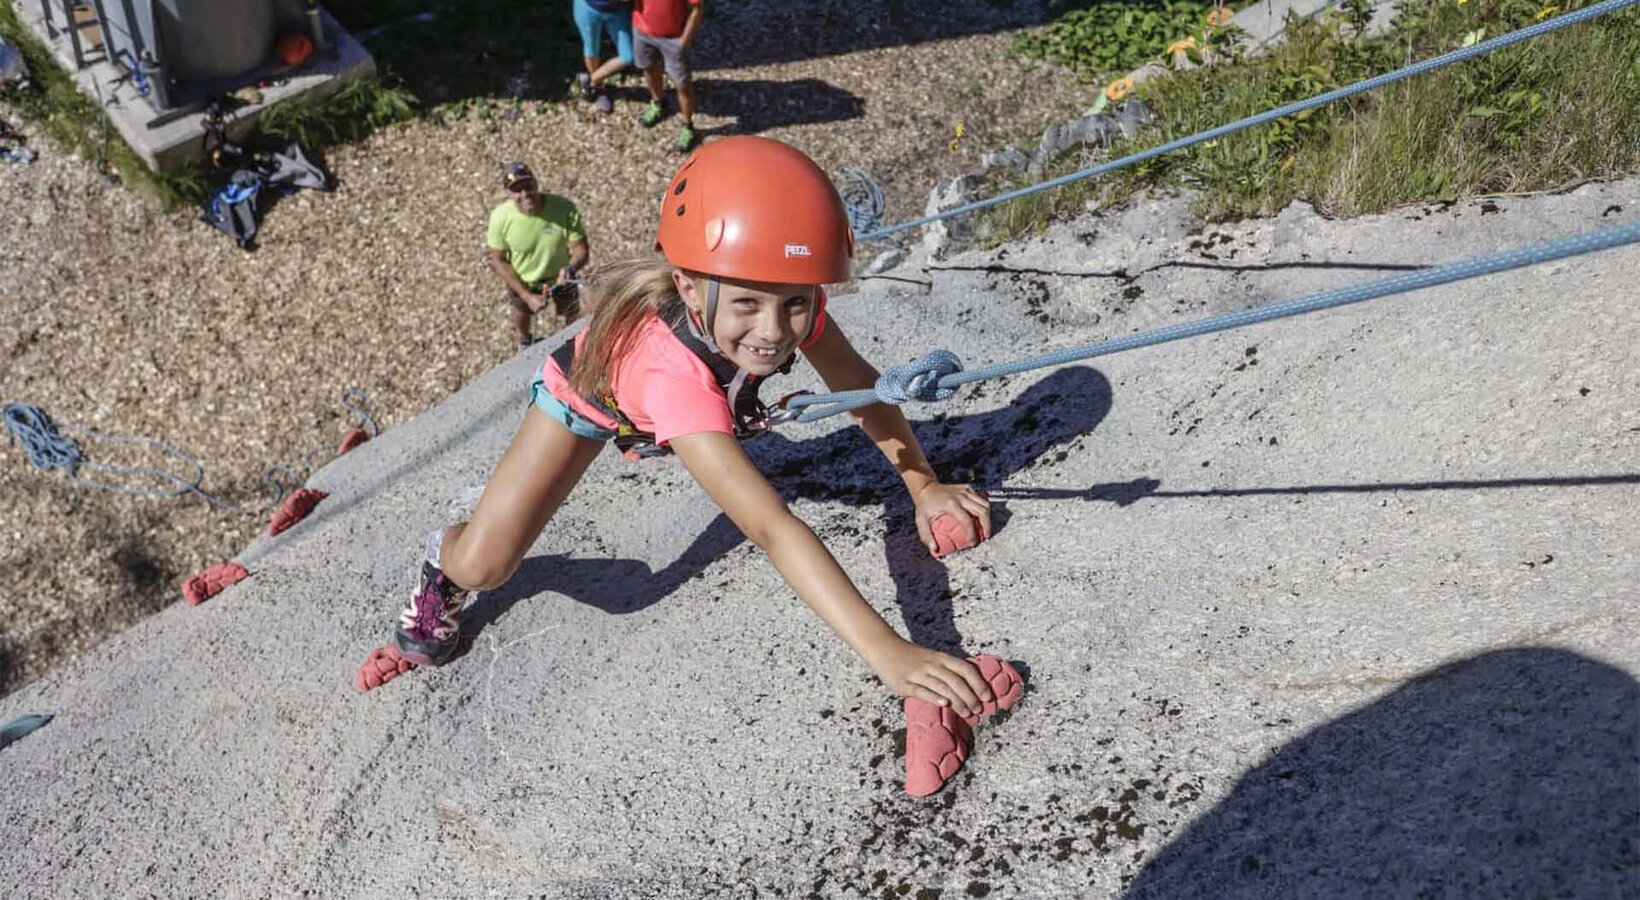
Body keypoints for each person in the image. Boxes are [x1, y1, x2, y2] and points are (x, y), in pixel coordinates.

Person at [359, 136, 999, 722]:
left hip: (690, 385)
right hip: (586, 399)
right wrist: (888, 652)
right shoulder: (672, 377)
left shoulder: (780, 298)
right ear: (690, 290)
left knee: (747, 368)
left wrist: (924, 487)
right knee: (489, 565)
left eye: (794, 304)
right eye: (748, 304)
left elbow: (862, 387)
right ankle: (445, 556)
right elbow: (770, 526)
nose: (776, 331)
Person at [487, 162, 589, 349]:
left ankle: (573, 342)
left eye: (528, 186)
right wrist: (526, 295)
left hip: (561, 278)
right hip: (525, 279)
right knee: (520, 311)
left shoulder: (563, 208)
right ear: (509, 194)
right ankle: (525, 341)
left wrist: (571, 267)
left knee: (572, 312)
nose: (525, 194)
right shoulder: (500, 218)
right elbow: (498, 260)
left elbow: (581, 249)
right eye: (517, 190)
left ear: (536, 183)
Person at [630, 0, 705, 152]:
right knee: (649, 68)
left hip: (673, 37)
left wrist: (684, 40)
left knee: (682, 83)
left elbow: (697, 8)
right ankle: (658, 103)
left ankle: (688, 125)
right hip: (642, 31)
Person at [572, 0, 633, 114]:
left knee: (628, 56)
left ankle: (591, 81)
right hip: (587, 7)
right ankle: (599, 89)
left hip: (616, 10)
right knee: (592, 50)